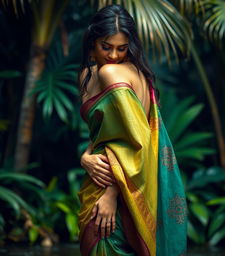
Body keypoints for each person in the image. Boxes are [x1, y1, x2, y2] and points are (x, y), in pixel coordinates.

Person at [78, 4, 187, 256]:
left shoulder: (111, 73)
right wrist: (86, 157)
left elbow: (137, 140)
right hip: (107, 175)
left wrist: (111, 195)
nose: (114, 55)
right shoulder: (88, 74)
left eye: (122, 48)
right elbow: (103, 135)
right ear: (92, 42)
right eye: (107, 47)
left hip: (118, 187)